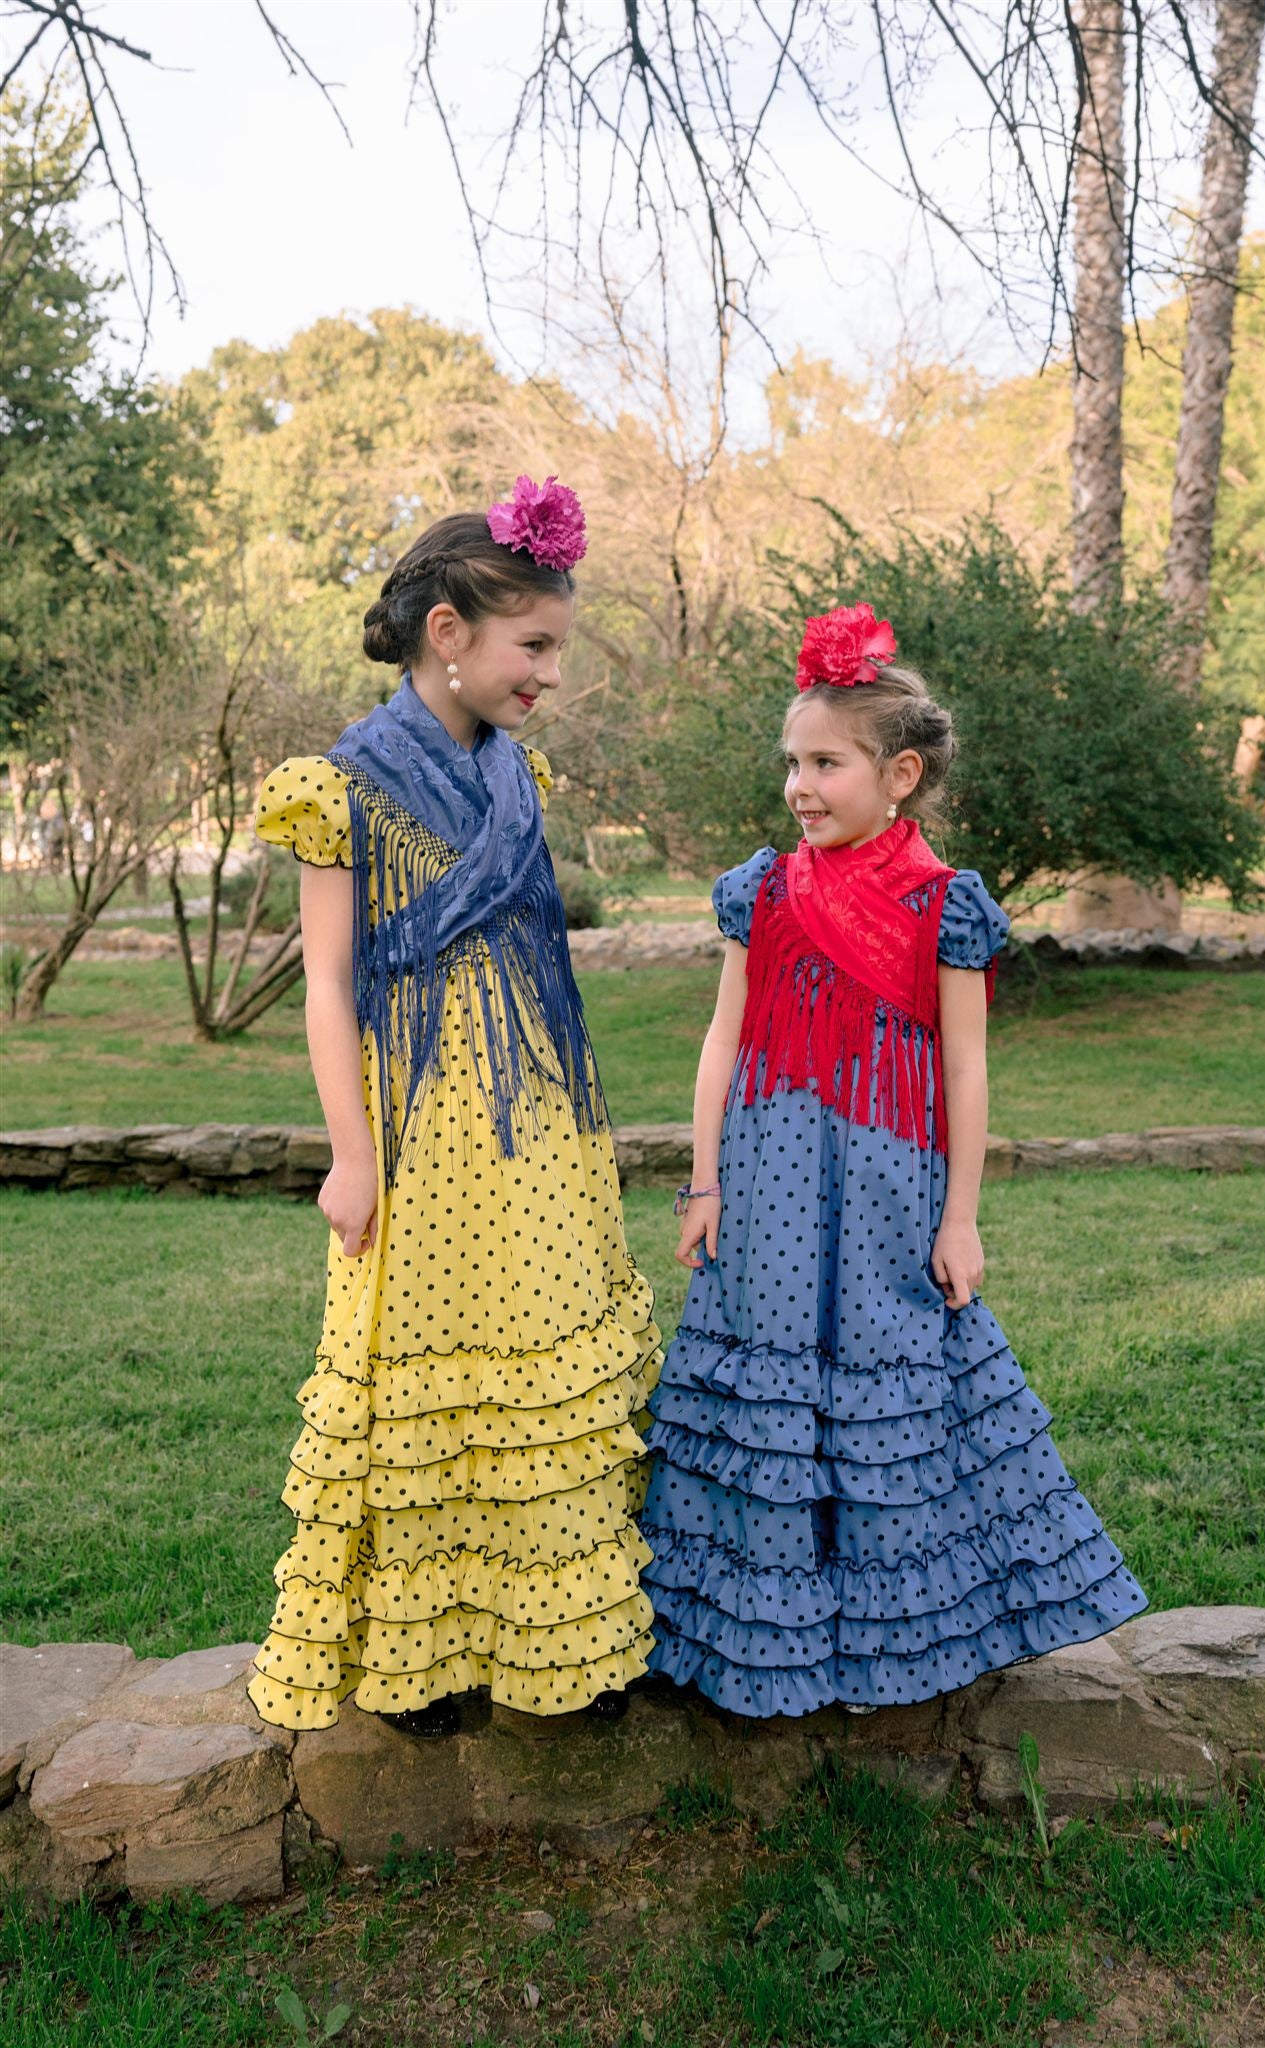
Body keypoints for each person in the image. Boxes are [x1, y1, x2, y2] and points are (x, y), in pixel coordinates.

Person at [640, 601, 1147, 1716]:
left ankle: (896, 1642)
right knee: (765, 1406)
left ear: (900, 773)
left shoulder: (943, 905)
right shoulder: (761, 891)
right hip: (766, 1189)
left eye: (826, 762)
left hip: (887, 1194)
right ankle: (756, 1637)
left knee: (890, 1405)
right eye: (792, 762)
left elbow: (966, 1072)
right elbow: (725, 1035)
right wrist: (704, 1179)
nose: (799, 785)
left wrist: (959, 1217)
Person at [248, 478, 660, 1736]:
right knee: (429, 1371)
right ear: (450, 635)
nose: (548, 674)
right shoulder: (345, 786)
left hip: (532, 1113)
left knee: (538, 1365)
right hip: (418, 1123)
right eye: (532, 646)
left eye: (554, 650)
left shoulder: (516, 777)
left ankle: (561, 1638)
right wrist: (348, 1154)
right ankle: (426, 1659)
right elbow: (326, 985)